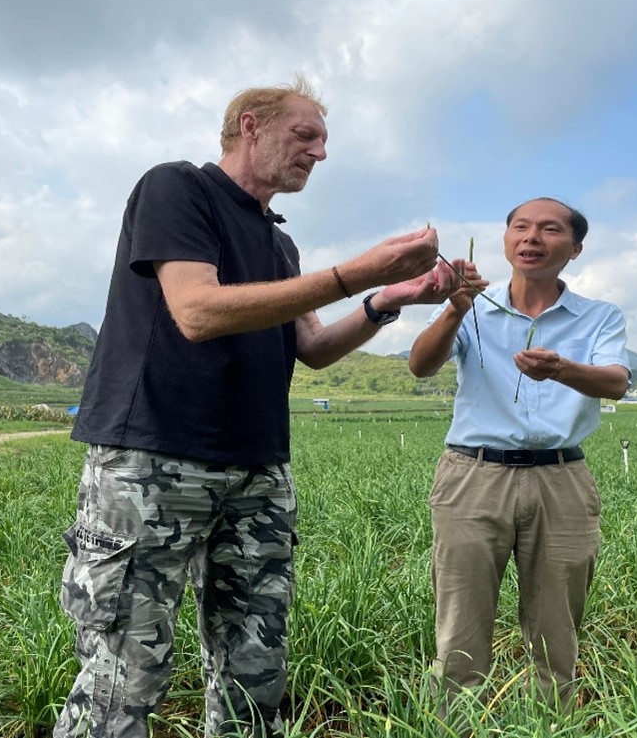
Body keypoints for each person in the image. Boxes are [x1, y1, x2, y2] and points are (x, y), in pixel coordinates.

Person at [55, 77, 458, 738]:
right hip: (154, 459)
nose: (320, 153)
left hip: (258, 469)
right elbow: (195, 310)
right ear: (251, 125)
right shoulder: (177, 188)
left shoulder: (278, 245)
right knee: (124, 673)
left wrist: (388, 298)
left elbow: (314, 347)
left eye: (323, 141)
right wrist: (359, 271)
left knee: (255, 668)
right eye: (305, 135)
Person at [408, 197, 630, 712]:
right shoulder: (472, 307)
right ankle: (455, 722)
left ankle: (550, 723)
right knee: (460, 629)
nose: (532, 238)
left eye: (550, 229)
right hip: (473, 475)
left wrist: (560, 369)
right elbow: (421, 365)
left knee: (557, 634)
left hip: (561, 478)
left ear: (574, 248)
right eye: (521, 228)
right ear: (506, 241)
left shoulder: (599, 316)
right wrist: (455, 308)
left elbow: (615, 382)